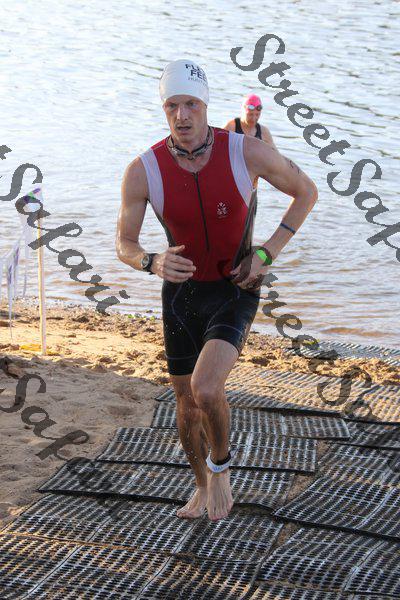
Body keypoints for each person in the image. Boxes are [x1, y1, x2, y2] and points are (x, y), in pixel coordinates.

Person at [116, 59, 318, 522]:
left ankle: (221, 467)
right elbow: (124, 243)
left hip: (235, 287)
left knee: (207, 388)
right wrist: (150, 261)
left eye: (191, 104)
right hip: (181, 297)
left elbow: (306, 192)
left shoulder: (246, 152)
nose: (182, 115)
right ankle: (200, 485)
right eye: (172, 106)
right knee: (186, 404)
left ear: (205, 105)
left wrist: (267, 252)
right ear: (164, 110)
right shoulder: (143, 170)